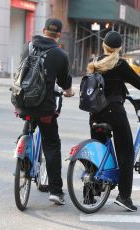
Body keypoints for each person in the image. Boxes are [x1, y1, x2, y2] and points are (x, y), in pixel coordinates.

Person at [20, 18, 74, 205]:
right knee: (51, 145)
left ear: (43, 30)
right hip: (44, 108)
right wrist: (69, 92)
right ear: (59, 34)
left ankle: (22, 154)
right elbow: (65, 82)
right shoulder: (60, 54)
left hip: (23, 103)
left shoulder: (28, 46)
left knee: (27, 126)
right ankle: (56, 191)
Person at [87, 31, 140, 212]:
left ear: (104, 45)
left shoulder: (94, 63)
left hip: (95, 115)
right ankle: (124, 197)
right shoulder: (119, 63)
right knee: (126, 153)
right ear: (119, 48)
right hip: (114, 113)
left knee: (96, 152)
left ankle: (90, 193)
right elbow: (137, 82)